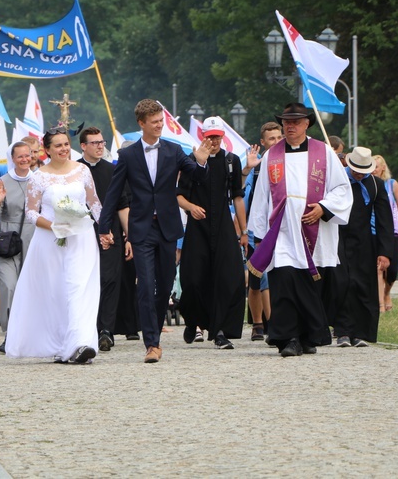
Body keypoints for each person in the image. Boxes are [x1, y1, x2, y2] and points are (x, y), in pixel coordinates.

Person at [98, 99, 211, 363]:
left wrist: (203, 162)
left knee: (166, 283)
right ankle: (152, 343)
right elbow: (114, 194)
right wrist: (105, 227)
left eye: (161, 121)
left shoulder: (174, 150)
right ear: (141, 123)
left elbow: (195, 175)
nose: (160, 125)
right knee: (146, 286)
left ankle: (155, 330)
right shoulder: (127, 155)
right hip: (141, 228)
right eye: (155, 122)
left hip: (168, 227)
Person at [248, 103, 352, 357]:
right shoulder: (272, 155)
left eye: (295, 122)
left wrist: (324, 208)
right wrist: (260, 236)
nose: (290, 127)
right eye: (286, 122)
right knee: (283, 281)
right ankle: (288, 338)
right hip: (282, 230)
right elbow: (262, 196)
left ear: (307, 124)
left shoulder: (324, 153)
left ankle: (308, 336)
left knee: (309, 285)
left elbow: (342, 189)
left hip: (313, 229)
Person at [5, 127, 102, 364]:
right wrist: (55, 227)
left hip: (82, 239)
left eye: (66, 144)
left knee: (79, 288)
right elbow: (30, 212)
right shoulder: (38, 177)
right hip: (51, 240)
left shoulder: (83, 171)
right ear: (46, 150)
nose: (63, 149)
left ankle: (82, 343)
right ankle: (62, 345)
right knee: (57, 291)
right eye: (57, 145)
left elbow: (94, 203)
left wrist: (103, 228)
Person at [177, 117, 247, 349]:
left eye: (217, 136)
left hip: (224, 226)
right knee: (193, 279)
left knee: (227, 277)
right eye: (210, 137)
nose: (214, 141)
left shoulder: (231, 161)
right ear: (202, 137)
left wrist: (244, 230)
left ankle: (219, 331)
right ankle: (193, 319)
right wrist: (191, 207)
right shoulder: (190, 160)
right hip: (199, 225)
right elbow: (178, 195)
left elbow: (237, 195)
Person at [332, 147, 393, 347]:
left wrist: (385, 252)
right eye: (356, 169)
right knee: (342, 283)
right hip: (338, 236)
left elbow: (385, 221)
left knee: (362, 284)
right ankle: (342, 330)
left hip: (364, 239)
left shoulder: (376, 184)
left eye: (363, 170)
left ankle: (359, 332)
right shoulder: (337, 179)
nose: (359, 173)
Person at [78, 127, 131, 352]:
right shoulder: (75, 170)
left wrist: (129, 236)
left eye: (102, 142)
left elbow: (123, 204)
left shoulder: (113, 170)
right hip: (81, 234)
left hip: (111, 233)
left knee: (110, 280)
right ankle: (85, 328)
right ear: (83, 146)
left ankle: (106, 331)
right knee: (85, 281)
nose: (100, 146)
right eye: (95, 143)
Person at [0, 141, 37, 352]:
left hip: (33, 238)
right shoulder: (3, 180)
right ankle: (10, 333)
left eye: (28, 155)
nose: (24, 159)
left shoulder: (40, 180)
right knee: (9, 285)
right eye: (20, 156)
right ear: (13, 159)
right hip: (8, 239)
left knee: (32, 288)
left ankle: (31, 333)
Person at [243, 122, 282, 340]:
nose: (276, 142)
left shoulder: (287, 161)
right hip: (257, 232)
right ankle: (258, 324)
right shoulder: (257, 168)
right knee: (257, 278)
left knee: (278, 277)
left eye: (279, 137)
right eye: (271, 139)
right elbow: (243, 198)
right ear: (263, 142)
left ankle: (275, 323)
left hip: (281, 230)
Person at [373, 155, 398, 311]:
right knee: (378, 268)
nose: (374, 170)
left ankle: (387, 293)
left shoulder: (391, 184)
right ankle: (380, 304)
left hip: (392, 231)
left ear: (383, 167)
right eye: (371, 166)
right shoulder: (368, 183)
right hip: (373, 230)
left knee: (392, 270)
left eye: (376, 166)